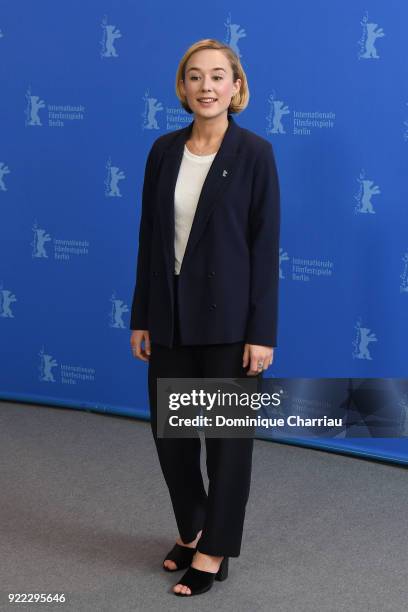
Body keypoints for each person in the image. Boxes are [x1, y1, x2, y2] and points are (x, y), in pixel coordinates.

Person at [129, 38, 280, 597]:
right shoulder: (163, 151)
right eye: (195, 77)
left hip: (230, 326)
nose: (207, 86)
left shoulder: (255, 154)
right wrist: (142, 315)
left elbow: (266, 249)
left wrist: (261, 333)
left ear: (236, 87)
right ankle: (193, 529)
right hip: (169, 321)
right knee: (172, 438)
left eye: (219, 76)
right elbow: (150, 240)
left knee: (225, 444)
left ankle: (214, 549)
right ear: (183, 88)